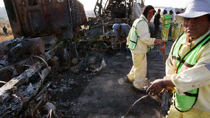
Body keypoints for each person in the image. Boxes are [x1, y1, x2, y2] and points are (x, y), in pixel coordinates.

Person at [147, 0, 210, 117]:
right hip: (180, 102)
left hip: (202, 110)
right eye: (187, 18)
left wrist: (165, 82)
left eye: (197, 18)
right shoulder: (182, 38)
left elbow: (199, 75)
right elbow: (171, 62)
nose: (190, 23)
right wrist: (169, 83)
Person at [126, 5, 165, 91]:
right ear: (146, 12)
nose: (151, 16)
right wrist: (156, 40)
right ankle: (138, 85)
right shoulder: (142, 23)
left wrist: (128, 44)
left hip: (135, 48)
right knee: (141, 68)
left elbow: (130, 34)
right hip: (139, 49)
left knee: (137, 65)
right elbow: (145, 39)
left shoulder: (138, 20)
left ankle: (130, 78)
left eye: (153, 14)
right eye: (150, 13)